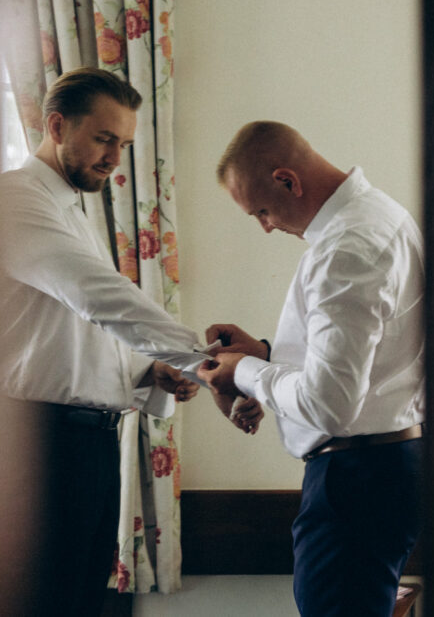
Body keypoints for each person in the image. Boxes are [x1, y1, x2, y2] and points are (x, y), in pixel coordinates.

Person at [0, 67, 248, 615]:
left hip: (88, 444)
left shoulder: (69, 210)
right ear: (57, 126)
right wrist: (208, 363)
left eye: (125, 145)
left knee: (84, 602)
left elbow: (75, 330)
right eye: (104, 139)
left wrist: (147, 369)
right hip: (38, 445)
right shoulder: (14, 200)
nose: (115, 158)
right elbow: (98, 297)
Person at [198, 121, 425, 617]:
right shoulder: (381, 216)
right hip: (382, 468)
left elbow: (329, 405)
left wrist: (243, 373)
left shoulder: (346, 247)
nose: (265, 227)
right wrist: (266, 354)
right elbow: (368, 357)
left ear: (287, 180)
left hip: (354, 481)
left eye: (261, 211)